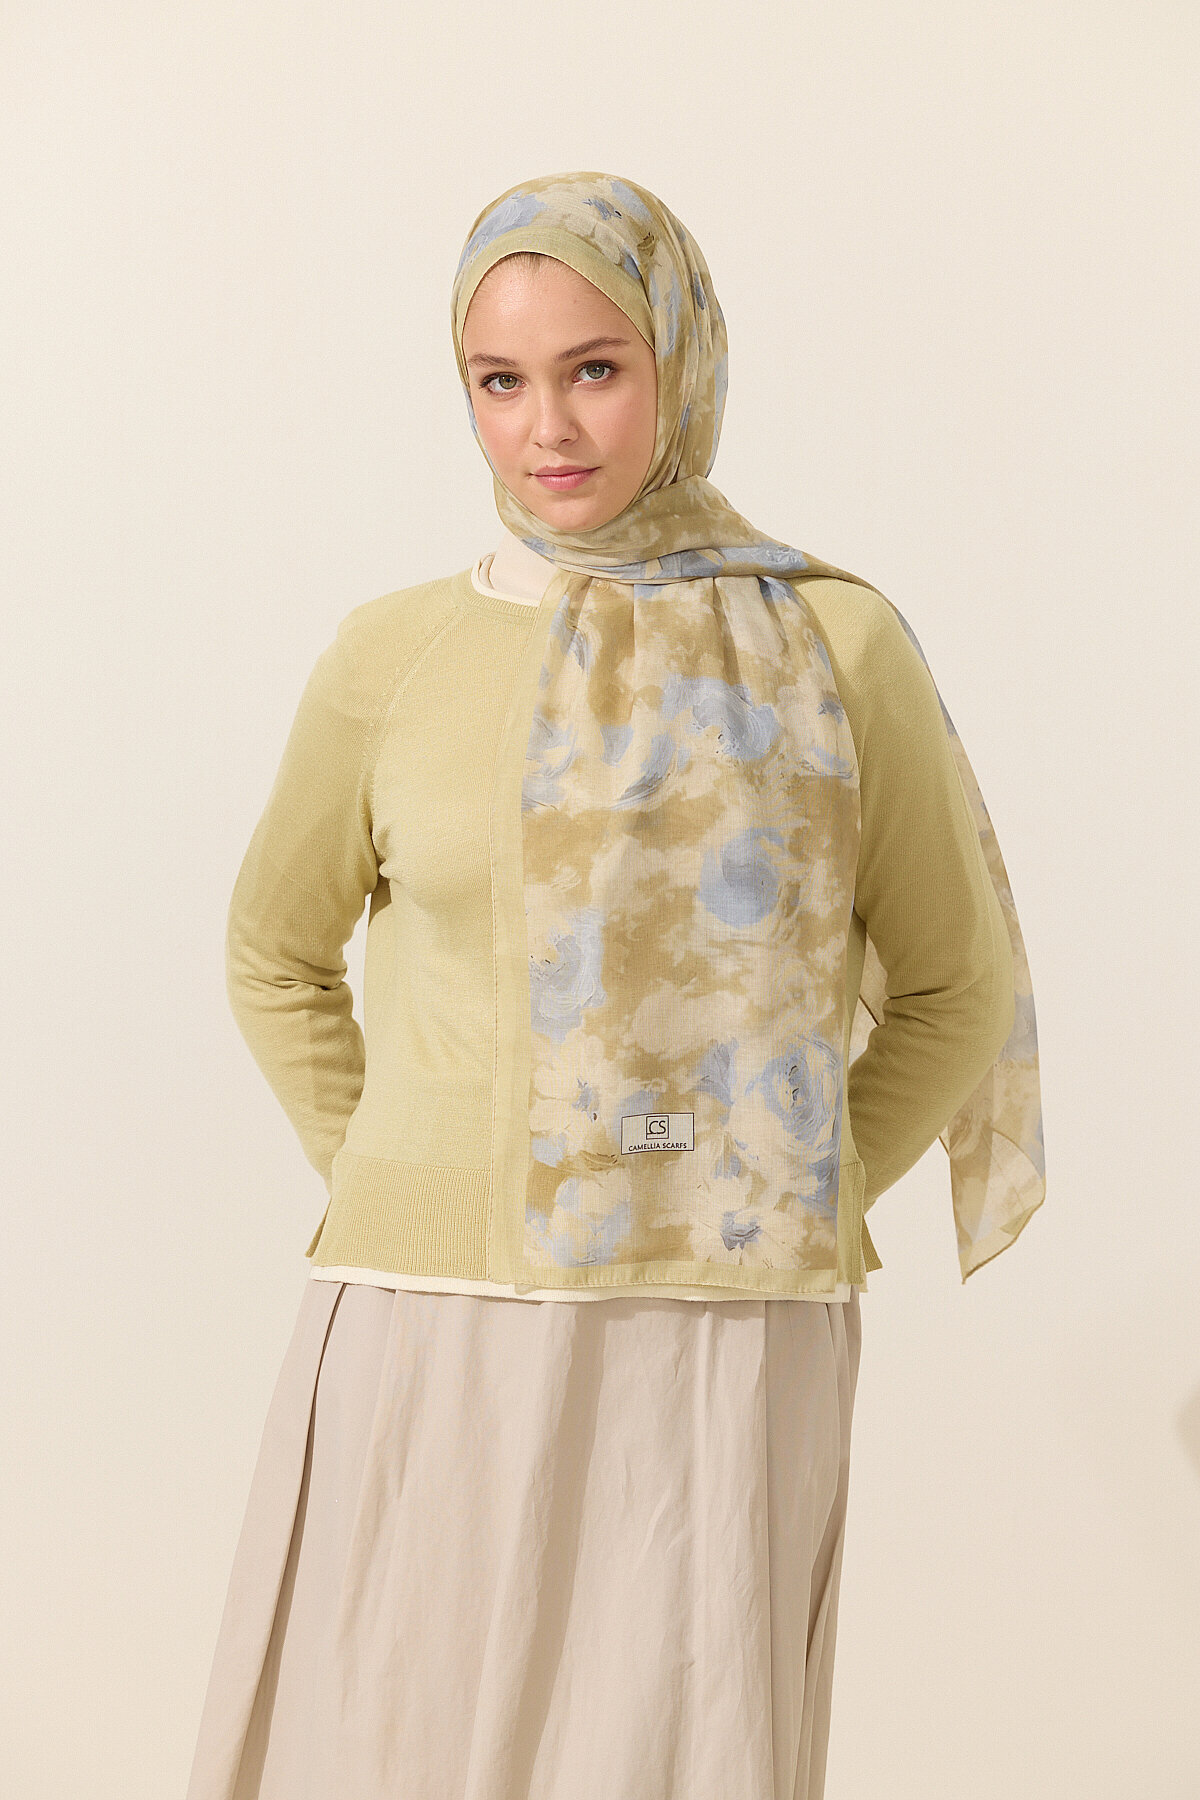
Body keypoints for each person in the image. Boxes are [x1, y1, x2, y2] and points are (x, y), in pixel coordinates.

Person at [185, 171, 1043, 1800]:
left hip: (722, 1319)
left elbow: (956, 985)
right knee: (397, 1749)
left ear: (680, 362)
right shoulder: (390, 654)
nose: (548, 428)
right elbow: (271, 949)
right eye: (499, 380)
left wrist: (790, 1176)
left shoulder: (837, 644)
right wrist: (402, 1167)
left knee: (676, 1753)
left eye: (594, 368)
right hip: (434, 1319)